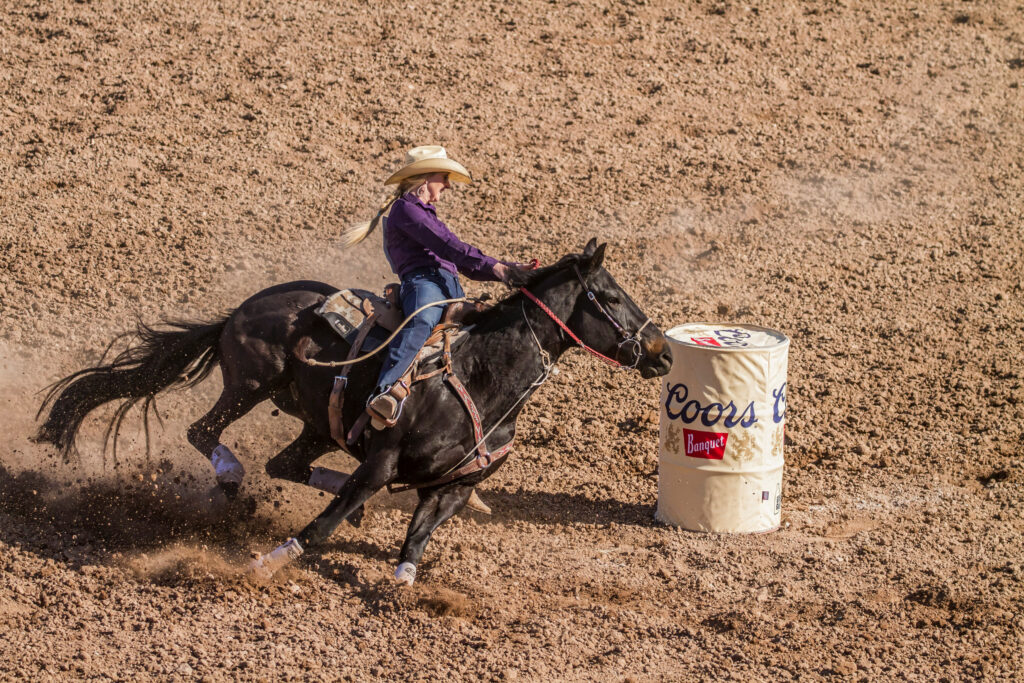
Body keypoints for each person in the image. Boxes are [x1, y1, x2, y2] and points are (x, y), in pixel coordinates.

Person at [343, 145, 523, 427]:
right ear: (425, 178)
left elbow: (460, 258)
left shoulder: (422, 213)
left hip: (448, 285)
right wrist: (499, 269)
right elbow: (450, 247)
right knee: (423, 319)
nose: (448, 185)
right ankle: (385, 392)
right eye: (444, 177)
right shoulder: (405, 209)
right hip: (424, 283)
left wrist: (505, 268)